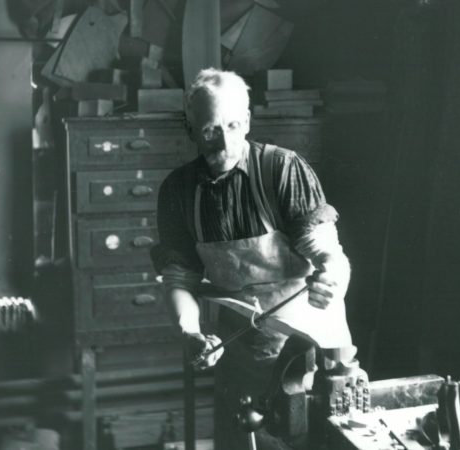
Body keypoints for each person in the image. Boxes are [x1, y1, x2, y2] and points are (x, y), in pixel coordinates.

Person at [151, 68, 353, 450]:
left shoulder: (281, 169)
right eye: (210, 129)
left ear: (246, 122)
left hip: (311, 347)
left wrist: (333, 277)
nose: (224, 143)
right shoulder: (178, 192)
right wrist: (191, 332)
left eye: (233, 125)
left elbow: (328, 251)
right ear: (190, 127)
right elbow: (180, 280)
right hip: (241, 347)